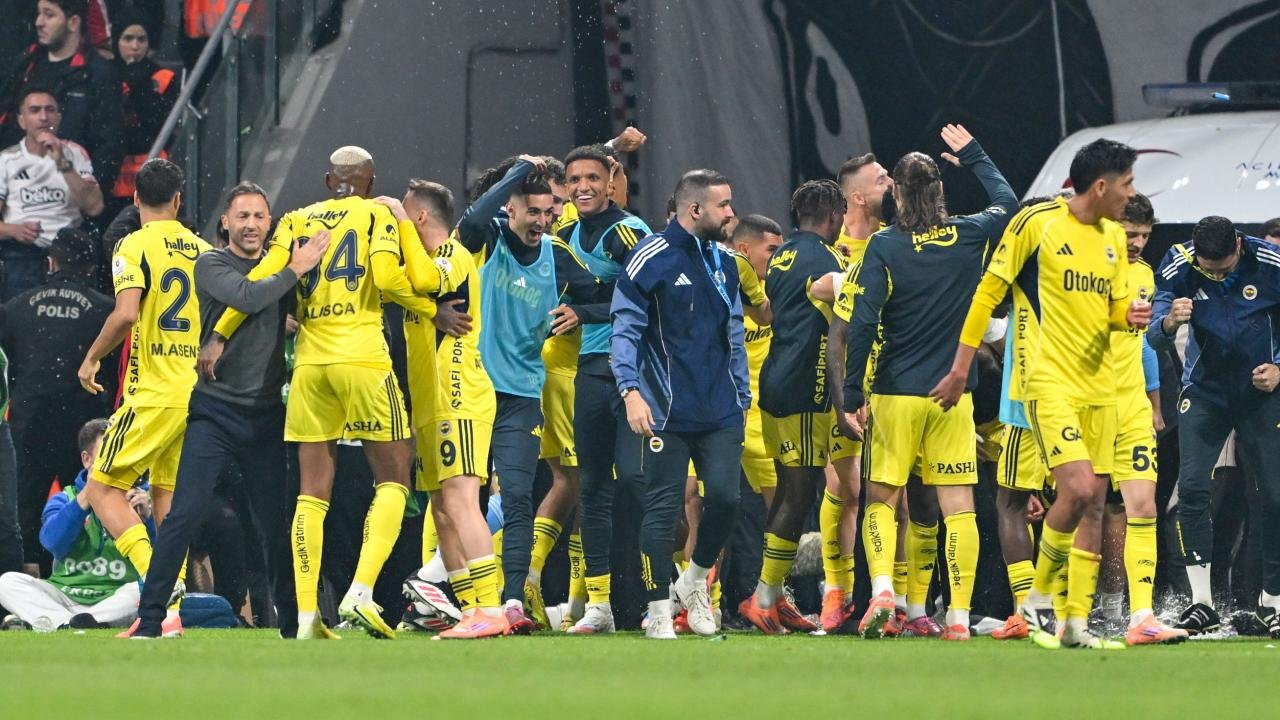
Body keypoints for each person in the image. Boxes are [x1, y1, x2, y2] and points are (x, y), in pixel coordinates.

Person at [204, 146, 439, 640]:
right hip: (363, 360)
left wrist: (220, 333)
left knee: (311, 494)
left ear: (330, 181)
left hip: (310, 367)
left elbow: (261, 281)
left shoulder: (295, 220)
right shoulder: (376, 214)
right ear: (370, 182)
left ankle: (308, 614)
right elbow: (392, 278)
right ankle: (361, 592)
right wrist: (432, 308)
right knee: (395, 478)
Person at [932, 139, 1150, 649]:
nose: (1132, 193)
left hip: (1101, 388)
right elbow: (987, 293)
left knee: (1092, 503)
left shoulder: (1113, 239)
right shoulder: (1039, 223)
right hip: (1047, 382)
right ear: (1101, 186)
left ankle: (1075, 624)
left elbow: (1111, 310)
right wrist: (960, 368)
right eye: (1127, 183)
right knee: (1076, 488)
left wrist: (1128, 316)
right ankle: (1036, 600)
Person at [839, 124, 1017, 640]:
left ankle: (883, 592)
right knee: (958, 509)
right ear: (940, 190)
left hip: (896, 392)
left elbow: (863, 323)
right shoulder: (969, 234)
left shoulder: (883, 246)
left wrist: (852, 393)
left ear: (895, 193)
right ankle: (957, 619)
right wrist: (975, 156)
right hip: (952, 396)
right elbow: (1008, 203)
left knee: (881, 499)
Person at [129, 182, 329, 639]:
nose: (251, 225)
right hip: (214, 412)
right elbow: (247, 296)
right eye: (242, 216)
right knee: (183, 514)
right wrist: (295, 269)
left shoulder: (280, 269)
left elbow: (288, 304)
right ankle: (151, 619)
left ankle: (294, 624)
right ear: (225, 222)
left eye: (259, 216)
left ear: (270, 222)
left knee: (273, 525)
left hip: (265, 415)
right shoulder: (211, 263)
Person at [453, 156, 609, 632]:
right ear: (512, 209)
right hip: (472, 387)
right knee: (461, 496)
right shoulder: (490, 238)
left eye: (549, 212)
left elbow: (615, 294)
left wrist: (583, 313)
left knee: (518, 495)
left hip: (521, 395)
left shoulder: (556, 256)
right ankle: (454, 597)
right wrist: (519, 170)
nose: (543, 220)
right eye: (533, 211)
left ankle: (513, 601)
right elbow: (472, 220)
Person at [611, 169, 747, 638]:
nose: (731, 213)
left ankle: (693, 582)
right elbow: (624, 330)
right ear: (694, 209)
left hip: (720, 410)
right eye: (723, 205)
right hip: (663, 410)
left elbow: (734, 333)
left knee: (726, 500)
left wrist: (742, 395)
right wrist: (630, 391)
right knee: (662, 510)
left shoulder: (725, 263)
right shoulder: (649, 257)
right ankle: (658, 612)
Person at [75, 158, 208, 639]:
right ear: (178, 199)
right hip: (195, 395)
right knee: (167, 497)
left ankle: (160, 584)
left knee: (100, 488)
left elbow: (127, 313)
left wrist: (92, 357)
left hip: (152, 393)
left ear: (134, 199)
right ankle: (170, 615)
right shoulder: (203, 250)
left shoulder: (133, 245)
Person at [383, 180, 506, 640]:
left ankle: (491, 608)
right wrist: (429, 311)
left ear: (418, 217)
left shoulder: (452, 254)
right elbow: (392, 283)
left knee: (461, 500)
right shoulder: (413, 263)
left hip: (459, 396)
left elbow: (422, 280)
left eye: (404, 213)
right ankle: (470, 609)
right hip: (429, 404)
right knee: (441, 510)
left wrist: (397, 219)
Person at [1149, 215, 1280, 638]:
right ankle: (1202, 603)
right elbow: (1153, 335)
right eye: (1209, 271)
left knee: (1276, 495)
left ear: (1239, 245)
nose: (1217, 277)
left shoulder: (1271, 262)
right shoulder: (1178, 262)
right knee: (1191, 490)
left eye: (1223, 270)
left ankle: (1273, 603)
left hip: (1261, 394)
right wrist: (1170, 322)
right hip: (1206, 394)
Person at [738, 179, 848, 635]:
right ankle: (764, 598)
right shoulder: (824, 259)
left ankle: (774, 594)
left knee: (788, 490)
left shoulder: (782, 254)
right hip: (804, 385)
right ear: (834, 215)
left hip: (777, 379)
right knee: (798, 493)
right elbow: (835, 304)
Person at [555, 144, 651, 635]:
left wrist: (585, 312)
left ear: (611, 181)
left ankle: (662, 594)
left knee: (638, 481)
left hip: (636, 373)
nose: (583, 187)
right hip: (591, 370)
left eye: (592, 178)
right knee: (591, 487)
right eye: (574, 180)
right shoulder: (564, 236)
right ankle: (599, 605)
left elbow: (646, 294)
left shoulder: (630, 232)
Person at [1097, 193, 1185, 645]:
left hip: (1131, 406)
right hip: (1089, 403)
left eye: (1145, 236)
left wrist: (1153, 403)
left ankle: (1142, 615)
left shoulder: (1146, 275)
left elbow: (1145, 344)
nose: (1137, 243)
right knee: (1083, 508)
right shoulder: (1085, 270)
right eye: (1131, 234)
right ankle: (1063, 609)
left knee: (1143, 506)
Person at [2, 227, 112, 574]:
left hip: (29, 425)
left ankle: (22, 582)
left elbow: (7, 369)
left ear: (51, 263)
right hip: (82, 429)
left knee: (22, 510)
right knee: (81, 504)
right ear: (91, 267)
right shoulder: (107, 312)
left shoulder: (15, 308)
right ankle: (80, 573)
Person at [0, 419, 148, 630]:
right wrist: (87, 497)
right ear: (87, 459)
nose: (114, 462)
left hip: (117, 595)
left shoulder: (142, 499)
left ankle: (58, 622)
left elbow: (163, 563)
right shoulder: (65, 498)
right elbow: (52, 543)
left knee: (144, 589)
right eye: (107, 454)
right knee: (7, 582)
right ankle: (76, 622)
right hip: (64, 595)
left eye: (120, 453)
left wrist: (148, 521)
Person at [0, 0, 124, 192]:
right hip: (16, 190)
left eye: (49, 15)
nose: (39, 22)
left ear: (73, 22)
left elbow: (108, 147)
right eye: (39, 13)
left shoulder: (99, 75)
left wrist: (90, 197)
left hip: (68, 194)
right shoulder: (25, 64)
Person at [0, 87, 104, 299]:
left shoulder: (75, 153)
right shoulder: (6, 160)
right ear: (21, 120)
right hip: (22, 256)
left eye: (50, 110)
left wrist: (62, 163)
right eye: (35, 110)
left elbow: (95, 207)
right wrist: (12, 229)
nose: (43, 117)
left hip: (70, 253)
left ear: (59, 117)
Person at [109, 9, 178, 215]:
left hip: (152, 167)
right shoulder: (105, 75)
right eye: (128, 39)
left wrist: (140, 85)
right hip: (113, 169)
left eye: (141, 39)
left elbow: (158, 120)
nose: (135, 46)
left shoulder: (163, 76)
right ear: (116, 41)